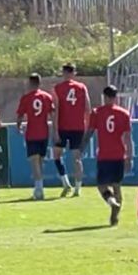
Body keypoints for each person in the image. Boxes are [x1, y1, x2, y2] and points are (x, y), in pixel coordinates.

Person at [84, 86, 132, 226]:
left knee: (101, 186)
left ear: (104, 96)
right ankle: (115, 216)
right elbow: (128, 138)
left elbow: (90, 132)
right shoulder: (124, 113)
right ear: (116, 97)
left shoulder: (97, 112)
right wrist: (129, 157)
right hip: (119, 155)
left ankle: (112, 203)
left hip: (104, 156)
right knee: (117, 186)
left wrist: (81, 148)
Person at [52, 63, 90, 197]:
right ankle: (77, 187)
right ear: (74, 73)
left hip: (63, 127)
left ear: (64, 73)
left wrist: (55, 129)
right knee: (76, 158)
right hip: (78, 127)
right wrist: (86, 126)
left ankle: (66, 182)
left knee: (57, 155)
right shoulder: (82, 87)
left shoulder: (57, 88)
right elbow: (87, 108)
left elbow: (55, 111)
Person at [16, 73, 55, 200]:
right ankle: (39, 187)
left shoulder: (26, 98)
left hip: (32, 133)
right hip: (44, 132)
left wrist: (19, 126)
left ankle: (39, 189)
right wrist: (55, 128)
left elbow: (20, 115)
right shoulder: (47, 97)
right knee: (40, 161)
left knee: (34, 162)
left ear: (30, 83)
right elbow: (53, 114)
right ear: (40, 83)